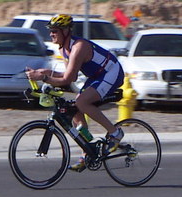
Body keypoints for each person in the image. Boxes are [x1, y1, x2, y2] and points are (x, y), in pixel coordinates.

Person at [26, 14, 125, 172]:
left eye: (55, 31)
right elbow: (66, 74)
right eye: (51, 31)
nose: (51, 34)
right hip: (96, 76)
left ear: (65, 31)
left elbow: (68, 79)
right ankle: (88, 151)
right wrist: (44, 72)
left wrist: (44, 77)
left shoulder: (78, 47)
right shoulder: (64, 49)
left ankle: (115, 133)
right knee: (74, 111)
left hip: (111, 72)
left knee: (82, 102)